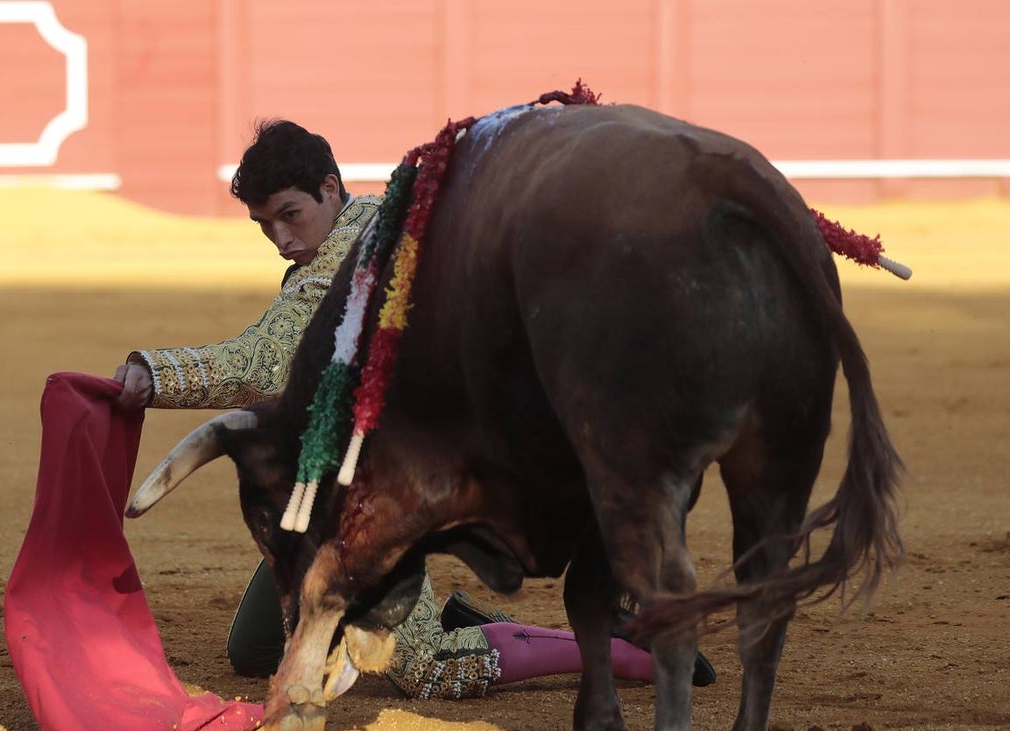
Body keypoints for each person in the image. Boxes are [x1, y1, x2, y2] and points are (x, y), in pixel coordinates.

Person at [114, 119, 712, 699]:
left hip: (429, 472)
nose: (281, 239)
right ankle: (442, 610)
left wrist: (154, 373)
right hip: (394, 467)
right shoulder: (365, 228)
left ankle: (611, 645)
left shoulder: (358, 253)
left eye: (289, 215)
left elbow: (266, 364)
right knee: (256, 650)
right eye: (265, 225)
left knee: (428, 669)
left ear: (330, 188)